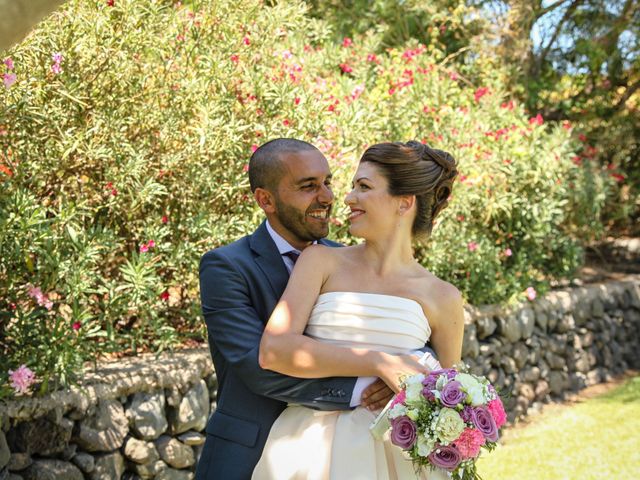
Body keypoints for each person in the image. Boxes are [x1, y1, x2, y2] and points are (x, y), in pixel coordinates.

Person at [252, 141, 464, 479]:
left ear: (404, 202)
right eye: (351, 186)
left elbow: (446, 400)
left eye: (363, 187)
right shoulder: (321, 261)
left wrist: (414, 386)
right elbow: (274, 350)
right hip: (309, 452)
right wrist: (379, 362)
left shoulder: (443, 297)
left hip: (402, 461)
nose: (347, 198)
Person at [196, 139, 399, 480]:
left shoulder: (349, 260)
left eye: (328, 182)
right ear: (266, 200)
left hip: (339, 458)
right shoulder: (226, 267)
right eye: (308, 187)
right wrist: (364, 389)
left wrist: (405, 375)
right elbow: (258, 368)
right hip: (249, 456)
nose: (328, 197)